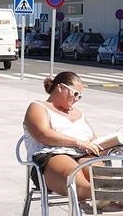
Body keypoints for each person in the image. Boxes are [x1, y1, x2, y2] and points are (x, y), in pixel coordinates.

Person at [22, 71, 101, 200]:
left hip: (83, 155)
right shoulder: (38, 107)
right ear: (60, 88)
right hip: (51, 156)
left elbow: (94, 142)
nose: (76, 99)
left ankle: (114, 194)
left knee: (103, 178)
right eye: (75, 93)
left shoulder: (78, 113)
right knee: (78, 183)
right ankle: (102, 196)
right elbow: (43, 134)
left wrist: (118, 142)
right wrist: (78, 142)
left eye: (80, 96)